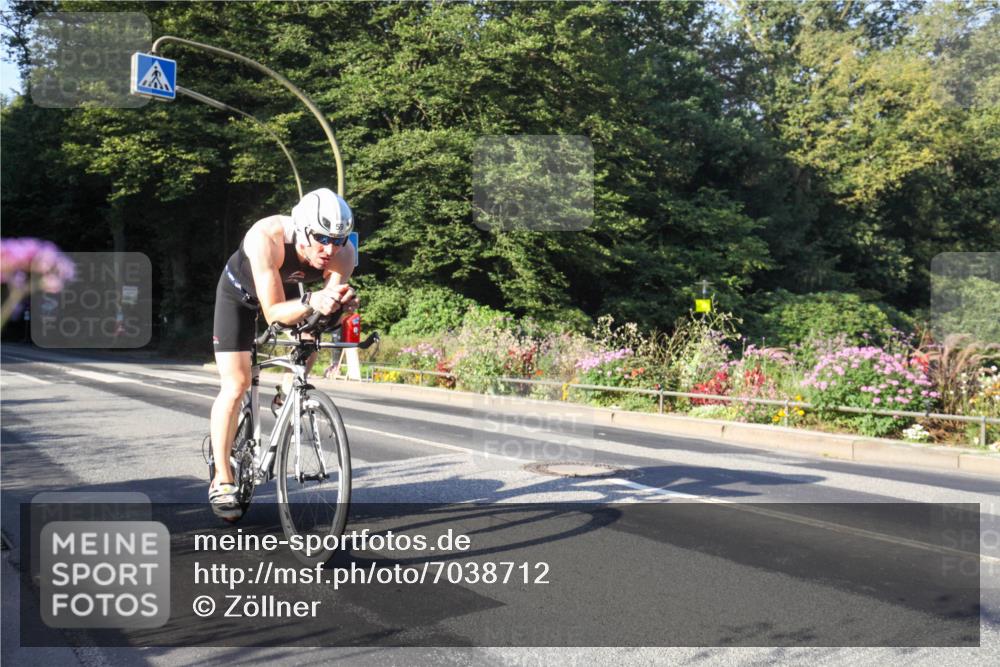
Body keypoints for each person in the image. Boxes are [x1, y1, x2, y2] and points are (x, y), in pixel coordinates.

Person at [209, 188, 358, 520]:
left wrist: (339, 309)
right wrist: (311, 301)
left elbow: (324, 312)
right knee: (237, 384)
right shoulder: (267, 237)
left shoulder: (344, 254)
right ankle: (222, 478)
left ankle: (288, 396)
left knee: (311, 334)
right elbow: (275, 311)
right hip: (239, 295)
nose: (329, 248)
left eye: (338, 239)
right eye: (321, 238)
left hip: (288, 291)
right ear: (302, 228)